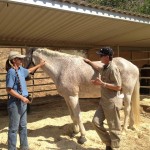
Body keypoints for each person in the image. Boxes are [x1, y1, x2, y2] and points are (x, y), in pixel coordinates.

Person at [5, 51, 45, 150]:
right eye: (20, 58)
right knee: (14, 128)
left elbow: (29, 70)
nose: (22, 60)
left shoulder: (20, 69)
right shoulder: (11, 72)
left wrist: (39, 65)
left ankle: (24, 147)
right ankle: (12, 148)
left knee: (23, 126)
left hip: (22, 103)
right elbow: (9, 89)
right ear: (14, 60)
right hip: (15, 103)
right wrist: (22, 97)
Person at [84, 47, 122, 150]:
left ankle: (114, 147)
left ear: (106, 57)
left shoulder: (113, 69)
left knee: (114, 127)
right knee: (95, 122)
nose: (99, 57)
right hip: (104, 101)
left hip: (112, 102)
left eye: (101, 55)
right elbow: (98, 68)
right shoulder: (105, 67)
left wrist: (102, 84)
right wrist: (90, 62)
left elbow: (118, 87)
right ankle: (109, 143)